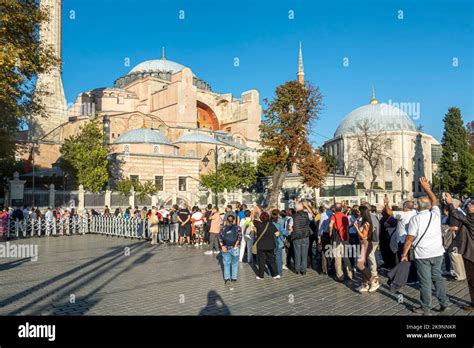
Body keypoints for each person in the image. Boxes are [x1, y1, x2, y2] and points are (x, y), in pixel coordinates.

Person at [401, 177, 451, 315]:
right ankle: (444, 304)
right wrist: (426, 188)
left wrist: (404, 254)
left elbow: (409, 239)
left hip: (423, 254)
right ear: (429, 206)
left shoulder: (415, 219)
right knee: (438, 278)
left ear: (417, 206)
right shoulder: (435, 214)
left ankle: (426, 308)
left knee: (425, 281)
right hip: (437, 252)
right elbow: (435, 201)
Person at [445, 194, 474, 311]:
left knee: (472, 280)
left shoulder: (471, 218)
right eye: (470, 203)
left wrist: (450, 203)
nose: (470, 205)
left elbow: (456, 214)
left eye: (473, 204)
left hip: (471, 254)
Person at [384, 196, 418, 283]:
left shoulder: (403, 214)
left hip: (403, 240)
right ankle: (413, 277)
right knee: (411, 259)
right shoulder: (414, 213)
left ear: (405, 207)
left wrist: (386, 204)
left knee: (404, 259)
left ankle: (409, 278)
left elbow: (388, 212)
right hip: (411, 239)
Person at [354, 205, 380, 293]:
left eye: (359, 211)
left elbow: (363, 236)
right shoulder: (363, 220)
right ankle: (365, 284)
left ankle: (373, 281)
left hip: (366, 244)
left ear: (362, 212)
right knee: (363, 264)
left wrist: (356, 228)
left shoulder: (367, 223)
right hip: (363, 244)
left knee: (359, 264)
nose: (358, 212)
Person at [252, 209, 279, 279]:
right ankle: (275, 274)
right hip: (270, 245)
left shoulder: (258, 224)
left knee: (261, 261)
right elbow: (277, 234)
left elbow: (252, 219)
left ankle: (261, 276)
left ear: (261, 218)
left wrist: (254, 212)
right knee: (272, 260)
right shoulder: (271, 225)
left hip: (261, 246)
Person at [329, 203, 353, 281]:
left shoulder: (333, 216)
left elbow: (330, 225)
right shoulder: (345, 216)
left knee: (337, 258)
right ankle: (350, 274)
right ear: (341, 208)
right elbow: (347, 228)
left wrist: (330, 233)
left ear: (334, 209)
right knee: (346, 257)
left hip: (336, 238)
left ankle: (340, 276)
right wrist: (347, 238)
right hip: (344, 238)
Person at [218, 215, 242, 290]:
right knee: (235, 263)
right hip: (235, 247)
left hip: (225, 247)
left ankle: (227, 278)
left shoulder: (223, 228)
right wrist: (236, 245)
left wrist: (222, 246)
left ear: (227, 221)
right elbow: (240, 236)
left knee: (226, 263)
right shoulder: (237, 228)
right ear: (234, 220)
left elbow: (219, 237)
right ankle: (234, 277)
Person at [290, 202, 311, 275]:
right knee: (304, 253)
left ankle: (297, 269)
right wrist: (307, 206)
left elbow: (290, 227)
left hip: (296, 236)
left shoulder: (293, 217)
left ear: (296, 208)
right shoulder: (306, 214)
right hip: (305, 235)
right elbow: (312, 216)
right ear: (302, 207)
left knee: (297, 253)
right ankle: (304, 270)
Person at [271, 209, 290, 276]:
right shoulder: (278, 224)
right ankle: (279, 272)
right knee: (279, 258)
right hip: (279, 243)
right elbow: (285, 232)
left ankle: (273, 272)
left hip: (270, 244)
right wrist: (290, 232)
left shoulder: (269, 224)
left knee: (272, 259)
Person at [318, 204, 333, 275]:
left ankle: (325, 269)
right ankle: (331, 267)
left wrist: (319, 237)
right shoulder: (333, 214)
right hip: (333, 235)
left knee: (325, 251)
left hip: (325, 234)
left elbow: (320, 228)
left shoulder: (323, 215)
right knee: (331, 251)